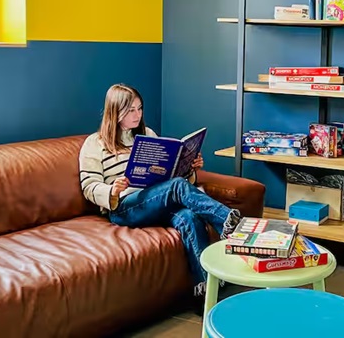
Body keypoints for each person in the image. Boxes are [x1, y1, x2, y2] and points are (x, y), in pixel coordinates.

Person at [78, 83, 241, 302]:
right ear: (115, 111)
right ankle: (231, 223)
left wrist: (190, 169)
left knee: (189, 217)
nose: (138, 115)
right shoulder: (94, 143)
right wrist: (112, 190)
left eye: (140, 108)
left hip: (155, 199)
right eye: (131, 110)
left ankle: (206, 294)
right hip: (124, 207)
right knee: (176, 186)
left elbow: (167, 174)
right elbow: (89, 185)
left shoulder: (147, 135)